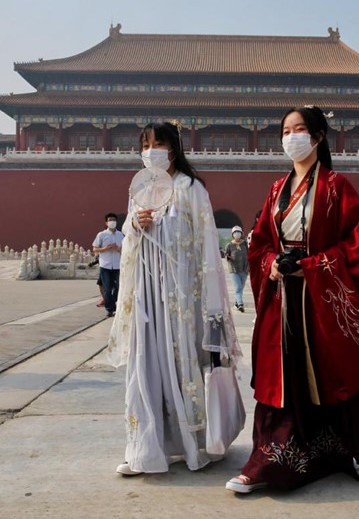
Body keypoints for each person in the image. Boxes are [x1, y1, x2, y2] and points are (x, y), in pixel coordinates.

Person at [227, 106, 359, 494]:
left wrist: (314, 266)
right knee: (279, 373)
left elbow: (357, 247)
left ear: (317, 137)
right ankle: (268, 462)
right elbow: (261, 240)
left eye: (299, 129)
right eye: (285, 130)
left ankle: (331, 452)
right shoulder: (276, 190)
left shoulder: (337, 187)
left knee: (328, 370)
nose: (291, 136)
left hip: (321, 301)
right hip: (283, 297)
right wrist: (271, 265)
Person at [106, 122, 242, 476]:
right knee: (145, 362)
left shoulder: (190, 188)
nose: (151, 149)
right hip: (147, 296)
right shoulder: (140, 189)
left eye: (159, 142)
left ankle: (191, 444)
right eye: (145, 143)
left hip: (182, 297)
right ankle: (145, 447)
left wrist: (211, 301)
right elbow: (129, 239)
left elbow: (208, 245)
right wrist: (135, 225)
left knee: (183, 363)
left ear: (174, 147)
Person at [92, 213, 123, 317]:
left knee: (119, 286)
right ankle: (110, 309)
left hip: (118, 265)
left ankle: (111, 301)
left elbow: (126, 250)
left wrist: (118, 249)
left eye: (114, 220)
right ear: (106, 222)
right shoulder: (101, 235)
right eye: (110, 220)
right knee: (107, 288)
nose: (112, 222)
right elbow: (95, 249)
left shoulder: (121, 235)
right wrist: (106, 248)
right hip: (105, 265)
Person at [224, 225, 248, 312]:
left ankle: (236, 303)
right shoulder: (229, 245)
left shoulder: (245, 244)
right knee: (238, 287)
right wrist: (228, 257)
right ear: (232, 234)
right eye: (235, 233)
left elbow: (250, 254)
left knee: (241, 288)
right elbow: (226, 255)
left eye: (238, 232)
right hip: (234, 270)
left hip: (244, 269)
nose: (237, 234)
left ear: (241, 234)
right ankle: (240, 304)